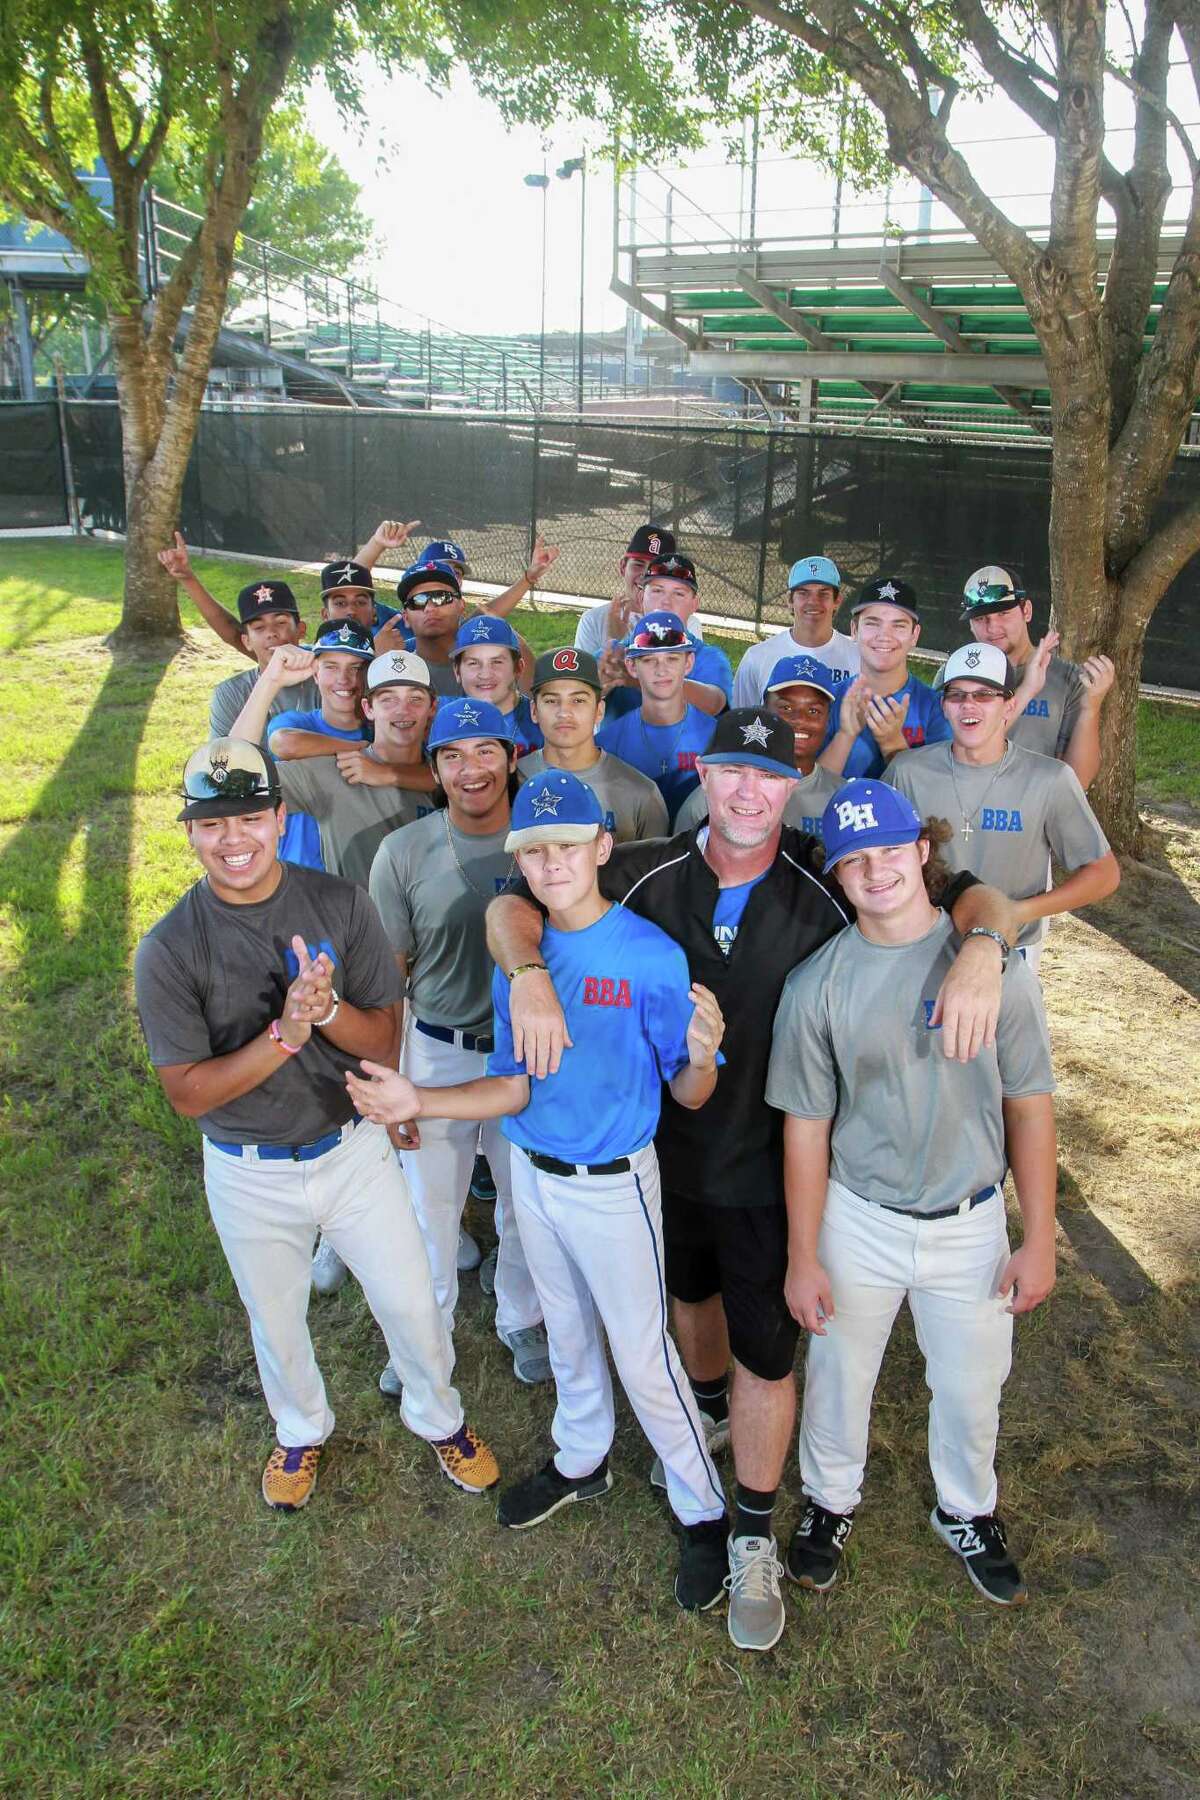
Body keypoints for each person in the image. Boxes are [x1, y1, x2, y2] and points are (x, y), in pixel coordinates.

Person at [487, 705, 1020, 1652]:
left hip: (781, 1166)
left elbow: (974, 894)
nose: (746, 791)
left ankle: (753, 1528)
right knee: (689, 1305)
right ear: (705, 771)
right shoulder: (642, 865)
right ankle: (702, 1414)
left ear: (793, 783)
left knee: (767, 1352)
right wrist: (527, 971)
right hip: (657, 1158)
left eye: (769, 776)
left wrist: (984, 952)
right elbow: (513, 895)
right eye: (730, 770)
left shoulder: (826, 868)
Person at [347, 771, 733, 1614]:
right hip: (533, 1171)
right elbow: (513, 1087)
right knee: (564, 1327)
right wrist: (422, 1099)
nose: (552, 862)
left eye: (568, 845)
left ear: (602, 848)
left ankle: (705, 1510)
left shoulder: (649, 955)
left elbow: (690, 1093)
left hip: (613, 1184)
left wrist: (703, 1056)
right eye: (534, 850)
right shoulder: (521, 958)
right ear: (519, 861)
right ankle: (580, 1456)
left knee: (642, 1349)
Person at [133, 737, 501, 1511]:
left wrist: (328, 1011)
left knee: (407, 1299)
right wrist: (284, 1037)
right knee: (276, 1317)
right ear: (190, 832)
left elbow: (383, 1034)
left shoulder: (338, 903)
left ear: (279, 815)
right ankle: (300, 1429)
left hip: (351, 1147)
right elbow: (189, 1094)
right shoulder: (169, 948)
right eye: (212, 823)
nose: (234, 839)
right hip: (246, 1166)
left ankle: (440, 1417)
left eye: (249, 818)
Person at [766, 778, 1058, 1607]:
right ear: (837, 873)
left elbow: (1029, 1107)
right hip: (860, 1214)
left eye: (891, 850)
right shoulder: (817, 984)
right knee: (838, 1373)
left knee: (971, 1383)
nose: (876, 870)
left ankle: (967, 1508)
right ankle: (829, 1501)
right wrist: (802, 1256)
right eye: (855, 860)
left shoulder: (990, 967)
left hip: (969, 1217)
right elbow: (805, 1129)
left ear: (924, 853)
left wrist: (1038, 1235)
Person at [367, 698, 548, 1387]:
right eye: (451, 756)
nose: (470, 769)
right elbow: (389, 978)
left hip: (522, 1052)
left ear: (510, 756)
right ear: (435, 771)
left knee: (520, 1199)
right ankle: (423, 1336)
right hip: (437, 1044)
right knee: (429, 1206)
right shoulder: (404, 851)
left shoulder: (544, 838)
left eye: (484, 752)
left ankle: (520, 1316)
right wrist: (392, 1085)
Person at [886, 642, 1120, 974]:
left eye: (984, 695)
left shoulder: (1048, 779)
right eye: (957, 695)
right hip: (921, 948)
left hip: (1008, 952)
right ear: (944, 706)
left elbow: (1104, 874)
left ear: (1009, 705)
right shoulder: (907, 771)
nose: (969, 705)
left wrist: (1015, 911)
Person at [229, 644, 438, 889]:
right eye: (388, 699)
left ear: (432, 707)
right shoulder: (335, 772)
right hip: (358, 924)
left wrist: (388, 774)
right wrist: (269, 683)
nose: (403, 710)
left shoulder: (454, 774)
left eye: (415, 698)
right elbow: (231, 778)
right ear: (367, 708)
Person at [954, 565, 1116, 787]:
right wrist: (1027, 689)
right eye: (980, 618)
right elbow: (950, 758)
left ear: (1026, 611)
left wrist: (1091, 707)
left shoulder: (1067, 679)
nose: (992, 627)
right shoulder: (955, 676)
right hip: (968, 807)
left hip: (1035, 813)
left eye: (1003, 613)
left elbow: (1079, 780)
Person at [675, 655, 842, 835]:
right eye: (786, 708)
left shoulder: (841, 797)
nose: (800, 719)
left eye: (813, 711)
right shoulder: (715, 795)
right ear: (764, 709)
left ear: (827, 721)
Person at [520, 648, 670, 842]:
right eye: (551, 700)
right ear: (534, 711)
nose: (564, 712)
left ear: (599, 710)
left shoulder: (641, 794)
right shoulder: (511, 783)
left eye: (578, 700)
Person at [818, 577, 951, 781]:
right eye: (872, 623)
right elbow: (809, 791)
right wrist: (845, 736)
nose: (884, 636)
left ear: (914, 635)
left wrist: (893, 745)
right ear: (854, 630)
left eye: (898, 626)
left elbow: (937, 794)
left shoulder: (935, 708)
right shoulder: (827, 699)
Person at [594, 611, 716, 825]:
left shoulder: (716, 737)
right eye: (649, 660)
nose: (661, 670)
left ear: (688, 663)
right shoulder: (607, 743)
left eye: (672, 658)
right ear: (631, 666)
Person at [599, 554, 732, 721]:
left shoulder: (708, 656)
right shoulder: (619, 653)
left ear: (694, 604)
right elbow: (580, 692)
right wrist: (611, 647)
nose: (665, 602)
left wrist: (639, 677)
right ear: (641, 598)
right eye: (657, 591)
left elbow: (713, 703)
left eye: (678, 594)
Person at [732, 555, 860, 707]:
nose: (813, 602)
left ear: (837, 601)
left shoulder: (859, 658)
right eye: (803, 593)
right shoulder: (757, 657)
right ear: (790, 600)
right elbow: (739, 719)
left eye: (823, 594)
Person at [200, 577, 317, 742]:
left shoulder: (325, 677)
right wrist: (270, 681)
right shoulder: (229, 693)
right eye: (259, 628)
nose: (271, 632)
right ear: (246, 641)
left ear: (301, 630)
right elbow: (223, 761)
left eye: (280, 622)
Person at [574, 524, 675, 657]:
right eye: (638, 565)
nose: (645, 575)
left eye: (657, 569)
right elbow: (585, 676)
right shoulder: (593, 620)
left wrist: (617, 643)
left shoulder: (683, 622)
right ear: (622, 567)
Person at [450, 616, 543, 757]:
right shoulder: (443, 720)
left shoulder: (542, 721)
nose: (485, 674)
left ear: (518, 668)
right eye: (473, 663)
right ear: (457, 671)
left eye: (497, 662)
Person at [394, 561, 469, 699]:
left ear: (462, 606)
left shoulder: (491, 665)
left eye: (441, 597)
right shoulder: (394, 675)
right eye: (417, 601)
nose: (429, 608)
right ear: (406, 618)